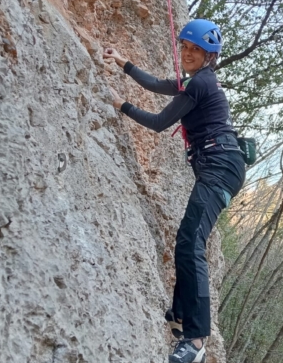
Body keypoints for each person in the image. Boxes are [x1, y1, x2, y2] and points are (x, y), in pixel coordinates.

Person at [103, 19, 245, 363]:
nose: (188, 53)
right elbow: (159, 85)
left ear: (210, 55)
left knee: (190, 241)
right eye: (185, 46)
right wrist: (124, 63)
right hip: (219, 165)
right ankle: (181, 315)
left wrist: (120, 104)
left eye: (197, 49)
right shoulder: (197, 82)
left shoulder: (202, 84)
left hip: (220, 166)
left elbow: (159, 123)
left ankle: (196, 341)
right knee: (188, 238)